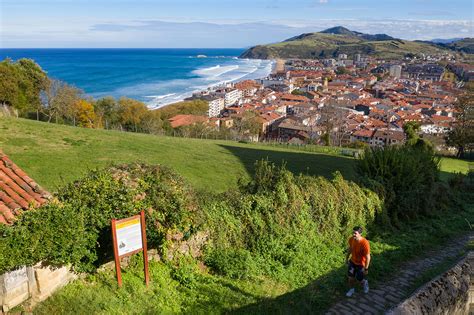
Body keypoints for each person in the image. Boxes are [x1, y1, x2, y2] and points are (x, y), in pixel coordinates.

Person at [345, 226, 371, 297]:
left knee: (360, 280)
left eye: (355, 233)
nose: (353, 234)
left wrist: (366, 268)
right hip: (352, 262)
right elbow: (350, 249)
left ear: (360, 234)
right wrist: (347, 258)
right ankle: (351, 290)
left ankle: (365, 283)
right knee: (350, 278)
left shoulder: (365, 243)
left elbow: (368, 257)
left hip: (361, 264)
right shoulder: (351, 239)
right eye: (353, 233)